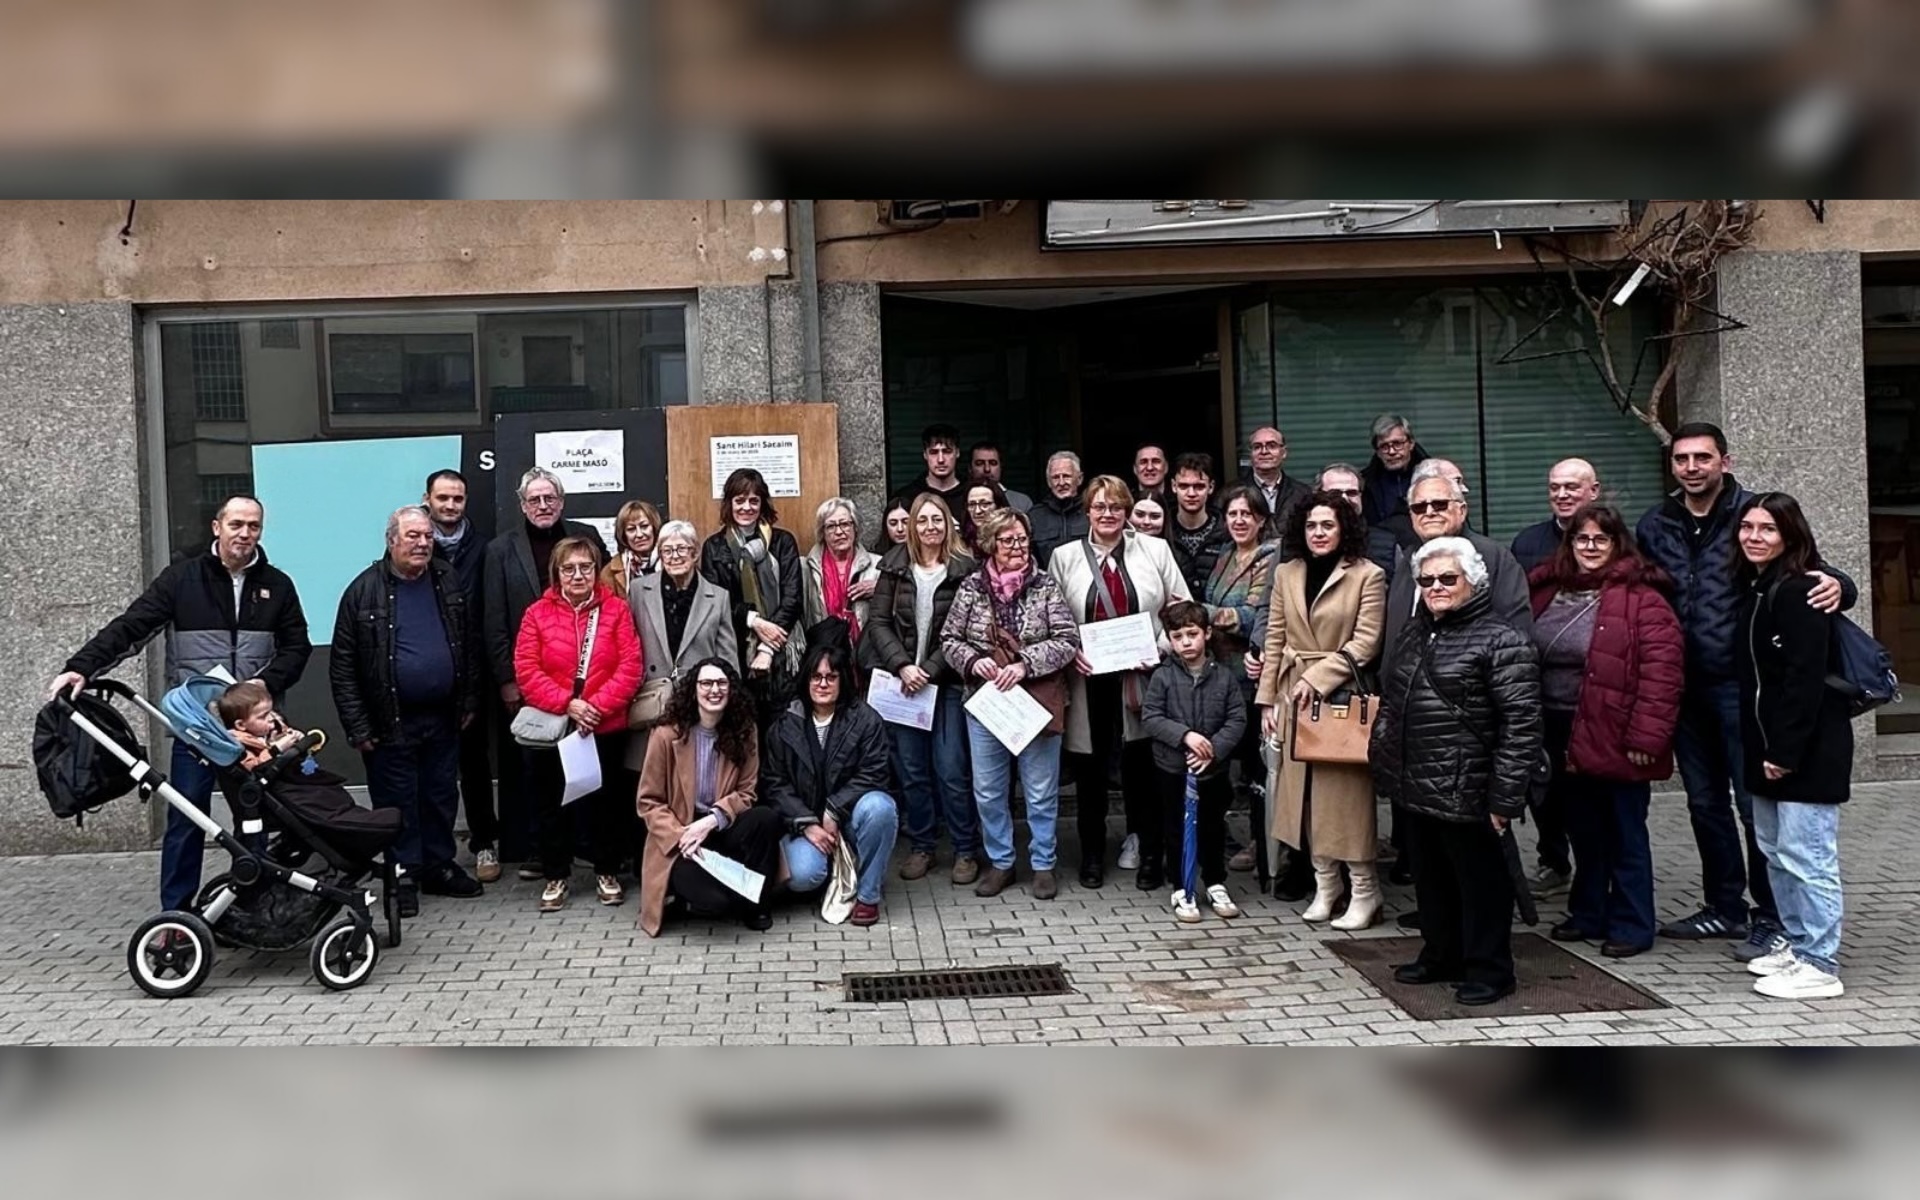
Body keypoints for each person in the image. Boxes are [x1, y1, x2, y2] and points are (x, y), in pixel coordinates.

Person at [1635, 422, 1855, 957]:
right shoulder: (1655, 524)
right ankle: (1723, 907)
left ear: (1725, 462)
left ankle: (1774, 917)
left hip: (1741, 689)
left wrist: (1842, 586)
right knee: (1704, 803)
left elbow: (1811, 568)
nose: (1692, 468)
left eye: (1702, 458)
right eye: (1682, 459)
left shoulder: (1752, 515)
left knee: (1755, 806)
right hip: (1683, 689)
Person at [49, 496, 312, 912]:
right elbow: (131, 628)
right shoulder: (182, 579)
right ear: (217, 527)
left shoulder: (277, 585)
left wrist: (265, 682)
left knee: (254, 818)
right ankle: (176, 913)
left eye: (254, 526)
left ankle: (254, 907)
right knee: (187, 817)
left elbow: (297, 647)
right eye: (237, 524)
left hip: (251, 730)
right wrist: (81, 667)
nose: (245, 534)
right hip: (198, 727)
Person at [1370, 537, 1544, 1007]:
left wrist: (1505, 798)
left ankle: (1490, 969)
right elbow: (1394, 700)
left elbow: (1521, 725)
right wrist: (1384, 759)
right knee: (1432, 882)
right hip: (1417, 784)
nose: (1436, 587)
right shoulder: (1414, 632)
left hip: (1471, 788)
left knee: (1481, 885)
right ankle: (1441, 954)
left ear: (1475, 581)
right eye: (1427, 580)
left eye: (1448, 578)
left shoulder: (1502, 640)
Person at [1527, 504, 1683, 959]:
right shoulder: (1547, 590)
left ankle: (1633, 923)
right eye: (1582, 539)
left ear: (1618, 544)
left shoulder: (1643, 598)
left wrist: (1646, 739)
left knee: (1624, 832)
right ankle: (1589, 911)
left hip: (1616, 730)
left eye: (1601, 539)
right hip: (1558, 731)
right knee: (1583, 830)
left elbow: (1663, 675)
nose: (1590, 547)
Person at [331, 506, 484, 917]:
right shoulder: (363, 591)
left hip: (444, 716)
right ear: (391, 540)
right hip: (389, 720)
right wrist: (357, 725)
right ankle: (402, 875)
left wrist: (469, 699)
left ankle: (438, 866)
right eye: (412, 536)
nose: (422, 543)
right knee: (397, 801)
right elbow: (343, 667)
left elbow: (467, 644)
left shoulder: (446, 579)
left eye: (427, 536)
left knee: (439, 795)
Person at [1735, 493, 1853, 1000]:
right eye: (1747, 527)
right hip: (1765, 747)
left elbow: (1805, 680)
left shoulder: (1803, 589)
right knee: (1777, 854)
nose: (1754, 537)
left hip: (1805, 751)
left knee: (1809, 858)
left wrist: (1785, 752)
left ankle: (1820, 962)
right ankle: (1798, 943)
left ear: (1790, 535)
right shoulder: (1759, 586)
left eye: (1767, 529)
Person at [1050, 475, 1189, 889]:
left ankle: (1150, 856)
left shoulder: (1155, 550)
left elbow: (1182, 608)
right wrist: (1069, 650)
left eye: (1115, 507)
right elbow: (1051, 616)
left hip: (1142, 677)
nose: (1107, 514)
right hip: (1086, 679)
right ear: (1087, 511)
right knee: (1090, 769)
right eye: (1099, 506)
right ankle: (1092, 855)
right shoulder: (1064, 557)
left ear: (1127, 511)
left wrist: (1160, 648)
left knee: (1141, 767)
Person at [1255, 491, 1388, 925]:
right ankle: (1325, 886)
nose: (1318, 533)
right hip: (1292, 697)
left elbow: (1366, 642)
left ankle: (1364, 890)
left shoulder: (1368, 574)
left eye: (1327, 525)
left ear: (1343, 528)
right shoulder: (1287, 572)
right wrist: (1266, 700)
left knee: (1346, 801)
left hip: (1341, 700)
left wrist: (1316, 678)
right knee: (1305, 799)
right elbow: (1275, 637)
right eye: (1311, 525)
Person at [942, 507, 1081, 900]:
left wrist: (1024, 665)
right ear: (991, 544)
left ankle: (1043, 864)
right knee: (988, 789)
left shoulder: (1045, 585)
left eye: (1022, 539)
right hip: (987, 702)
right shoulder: (971, 587)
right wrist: (974, 661)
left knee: (1040, 789)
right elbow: (949, 639)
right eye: (1008, 540)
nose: (1017, 547)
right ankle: (1001, 861)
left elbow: (1067, 640)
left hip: (1036, 701)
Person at [483, 467, 609, 878]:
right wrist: (507, 681)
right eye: (534, 499)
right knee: (537, 772)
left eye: (549, 498)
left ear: (562, 501)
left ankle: (587, 846)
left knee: (586, 768)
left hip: (587, 680)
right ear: (522, 505)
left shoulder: (587, 537)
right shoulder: (500, 550)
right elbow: (494, 619)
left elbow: (608, 597)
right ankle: (542, 852)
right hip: (532, 681)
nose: (542, 505)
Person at [514, 536, 643, 913]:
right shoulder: (536, 614)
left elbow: (630, 666)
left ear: (596, 570)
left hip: (604, 726)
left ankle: (607, 871)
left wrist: (595, 708)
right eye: (568, 568)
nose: (578, 575)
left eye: (586, 567)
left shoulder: (616, 610)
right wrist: (568, 705)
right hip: (555, 727)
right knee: (550, 805)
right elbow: (526, 670)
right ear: (556, 573)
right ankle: (556, 875)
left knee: (606, 804)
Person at [865, 493, 981, 885]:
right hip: (903, 683)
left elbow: (965, 631)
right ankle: (922, 846)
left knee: (951, 769)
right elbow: (878, 622)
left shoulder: (965, 569)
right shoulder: (893, 566)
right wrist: (902, 665)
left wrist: (928, 670)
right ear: (912, 526)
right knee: (911, 770)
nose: (930, 527)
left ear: (948, 524)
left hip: (945, 684)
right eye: (922, 520)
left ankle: (965, 849)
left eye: (937, 519)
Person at [763, 626, 901, 927]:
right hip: (806, 824)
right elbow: (775, 783)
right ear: (806, 680)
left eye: (831, 677)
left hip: (851, 819)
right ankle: (833, 873)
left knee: (881, 808)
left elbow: (875, 772)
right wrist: (807, 823)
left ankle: (867, 895)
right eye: (816, 677)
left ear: (842, 680)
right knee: (803, 875)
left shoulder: (865, 719)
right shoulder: (784, 724)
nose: (823, 684)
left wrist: (834, 809)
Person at [635, 658, 785, 935]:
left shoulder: (744, 730)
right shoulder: (665, 734)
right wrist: (682, 835)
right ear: (693, 690)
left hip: (721, 825)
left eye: (721, 683)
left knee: (766, 818)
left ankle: (758, 904)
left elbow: (747, 792)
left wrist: (712, 820)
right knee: (716, 902)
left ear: (731, 689)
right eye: (706, 683)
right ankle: (686, 896)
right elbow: (649, 801)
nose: (714, 690)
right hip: (682, 837)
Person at [1140, 600, 1248, 923]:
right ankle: (1181, 885)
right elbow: (1151, 717)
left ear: (1207, 633)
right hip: (1173, 768)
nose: (1186, 642)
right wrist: (1185, 736)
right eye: (1178, 637)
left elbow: (1237, 718)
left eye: (1192, 634)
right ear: (1170, 640)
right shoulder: (1162, 677)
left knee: (1213, 826)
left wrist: (1213, 748)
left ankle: (1215, 882)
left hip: (1212, 769)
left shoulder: (1224, 677)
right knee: (1176, 827)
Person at [424, 468, 501, 884]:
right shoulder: (415, 542)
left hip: (472, 670)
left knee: (474, 763)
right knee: (430, 768)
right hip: (427, 670)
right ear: (428, 499)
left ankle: (484, 841)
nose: (450, 505)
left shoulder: (483, 548)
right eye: (443, 498)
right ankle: (430, 850)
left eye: (457, 498)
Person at [1202, 484, 1281, 872]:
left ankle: (1261, 844)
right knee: (1227, 765)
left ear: (1261, 519)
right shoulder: (1225, 554)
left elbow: (1253, 615)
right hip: (1220, 675)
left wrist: (1204, 613)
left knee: (1256, 765)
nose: (1238, 521)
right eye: (1232, 514)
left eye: (1246, 514)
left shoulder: (1271, 556)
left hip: (1252, 675)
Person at [626, 520, 738, 761]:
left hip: (698, 703)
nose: (674, 556)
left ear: (695, 553)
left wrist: (728, 703)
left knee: (694, 772)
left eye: (681, 549)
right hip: (652, 702)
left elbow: (727, 660)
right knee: (651, 773)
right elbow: (627, 647)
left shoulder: (718, 597)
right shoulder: (638, 590)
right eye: (667, 550)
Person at [700, 468, 803, 716]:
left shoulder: (783, 542)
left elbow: (793, 598)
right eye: (740, 500)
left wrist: (767, 649)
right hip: (736, 649)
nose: (747, 507)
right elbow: (716, 602)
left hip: (782, 649)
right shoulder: (714, 547)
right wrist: (755, 621)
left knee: (783, 725)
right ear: (729, 504)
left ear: (762, 504)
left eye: (754, 500)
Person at [799, 497, 880, 657]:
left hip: (866, 654)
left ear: (855, 527)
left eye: (845, 524)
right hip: (822, 655)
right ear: (822, 532)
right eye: (831, 526)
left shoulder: (878, 566)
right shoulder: (805, 568)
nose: (839, 532)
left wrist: (880, 589)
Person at [1512, 459, 1601, 574]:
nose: (1561, 495)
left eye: (1571, 487)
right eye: (1554, 488)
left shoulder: (1616, 541)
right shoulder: (1527, 542)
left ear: (1594, 491)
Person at [1166, 452, 1231, 598]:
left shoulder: (1228, 532)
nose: (1191, 493)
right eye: (1184, 486)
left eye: (1199, 486)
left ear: (1211, 487)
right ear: (1174, 486)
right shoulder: (1163, 531)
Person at [1316, 462, 1399, 576]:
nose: (1345, 499)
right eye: (1335, 493)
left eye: (1351, 493)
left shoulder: (1387, 542)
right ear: (1317, 496)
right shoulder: (1303, 542)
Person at [1359, 413, 1428, 542]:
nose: (1391, 451)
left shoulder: (1432, 476)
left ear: (1411, 443)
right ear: (1377, 451)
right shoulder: (1365, 484)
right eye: (1384, 446)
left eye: (1397, 444)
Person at [1240, 426, 1312, 540]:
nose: (1264, 452)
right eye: (1257, 447)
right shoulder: (1232, 493)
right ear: (1251, 454)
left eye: (1272, 446)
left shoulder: (1303, 494)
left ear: (1284, 452)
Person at [1029, 450, 1091, 565]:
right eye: (1055, 477)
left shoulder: (1092, 511)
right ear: (1049, 482)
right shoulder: (1035, 516)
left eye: (1066, 476)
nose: (1061, 483)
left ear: (1080, 479)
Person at [601, 499, 664, 601]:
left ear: (654, 527)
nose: (639, 534)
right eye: (631, 529)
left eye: (644, 526)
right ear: (623, 535)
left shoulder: (671, 561)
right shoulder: (609, 573)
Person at [915, 423, 968, 512]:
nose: (941, 460)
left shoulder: (971, 494)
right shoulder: (910, 496)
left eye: (947, 451)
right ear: (925, 454)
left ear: (957, 452)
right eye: (934, 452)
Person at [970, 440, 1033, 512]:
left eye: (993, 463)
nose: (987, 469)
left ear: (1001, 467)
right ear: (970, 469)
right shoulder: (961, 500)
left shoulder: (1021, 502)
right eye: (979, 463)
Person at [959, 479, 1011, 556]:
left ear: (999, 506)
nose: (977, 511)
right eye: (972, 505)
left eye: (985, 504)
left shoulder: (1013, 539)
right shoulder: (959, 544)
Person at [1132, 443, 1171, 509]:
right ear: (1135, 469)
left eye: (1156, 461)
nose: (1149, 468)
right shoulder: (1126, 502)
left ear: (1166, 467)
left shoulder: (1179, 502)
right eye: (1143, 462)